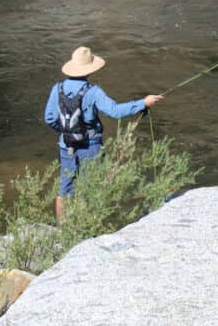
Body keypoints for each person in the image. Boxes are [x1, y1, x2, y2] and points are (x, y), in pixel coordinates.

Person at [44, 46, 163, 220]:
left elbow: (49, 118)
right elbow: (115, 111)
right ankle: (85, 228)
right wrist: (143, 103)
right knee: (90, 186)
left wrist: (66, 133)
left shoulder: (57, 88)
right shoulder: (93, 91)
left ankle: (63, 230)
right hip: (90, 147)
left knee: (64, 188)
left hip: (66, 145)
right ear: (89, 70)